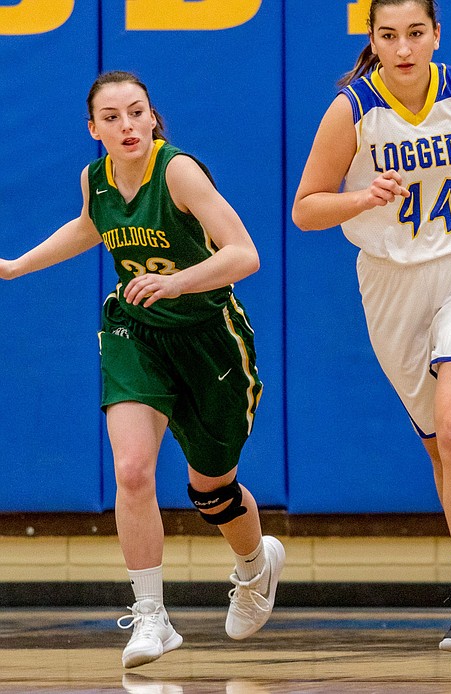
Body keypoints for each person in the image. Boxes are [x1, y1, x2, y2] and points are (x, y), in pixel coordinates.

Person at [0, 71, 284, 668]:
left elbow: (245, 254)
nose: (126, 126)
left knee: (212, 490)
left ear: (153, 118)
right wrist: (15, 267)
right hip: (136, 329)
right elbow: (91, 225)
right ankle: (152, 617)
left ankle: (256, 564)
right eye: (112, 117)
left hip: (210, 338)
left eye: (136, 113)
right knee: (132, 469)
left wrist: (176, 282)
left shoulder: (178, 172)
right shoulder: (95, 179)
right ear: (93, 128)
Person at [290, 0, 451, 665]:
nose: (403, 47)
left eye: (415, 33)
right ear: (373, 39)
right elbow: (306, 209)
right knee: (441, 448)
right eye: (389, 35)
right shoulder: (352, 109)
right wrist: (362, 197)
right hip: (391, 286)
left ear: (436, 35)